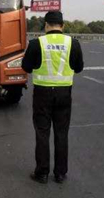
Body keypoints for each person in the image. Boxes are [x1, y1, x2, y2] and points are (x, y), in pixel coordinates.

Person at [21, 11, 84, 184]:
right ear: (62, 26)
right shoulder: (73, 43)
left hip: (42, 94)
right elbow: (78, 68)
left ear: (46, 25)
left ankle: (42, 173)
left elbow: (26, 67)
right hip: (64, 94)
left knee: (42, 132)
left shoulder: (36, 43)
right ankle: (60, 173)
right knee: (61, 133)